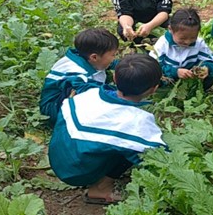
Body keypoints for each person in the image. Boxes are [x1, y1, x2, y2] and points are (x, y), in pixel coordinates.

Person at [48, 53, 167, 205]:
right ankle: (100, 189)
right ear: (154, 89)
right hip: (76, 171)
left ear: (115, 78)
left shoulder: (90, 93)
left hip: (59, 156)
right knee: (132, 149)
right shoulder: (138, 121)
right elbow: (158, 155)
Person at [39, 28, 118, 127]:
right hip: (54, 109)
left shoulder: (87, 56)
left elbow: (114, 64)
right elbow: (90, 91)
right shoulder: (75, 72)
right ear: (94, 57)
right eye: (113, 55)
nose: (114, 57)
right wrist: (120, 92)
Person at [149, 8, 213, 90]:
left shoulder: (199, 43)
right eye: (183, 38)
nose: (187, 42)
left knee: (210, 76)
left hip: (190, 78)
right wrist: (175, 72)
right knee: (153, 78)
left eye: (193, 37)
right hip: (169, 77)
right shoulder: (163, 44)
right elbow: (152, 67)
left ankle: (200, 90)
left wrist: (207, 68)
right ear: (170, 29)